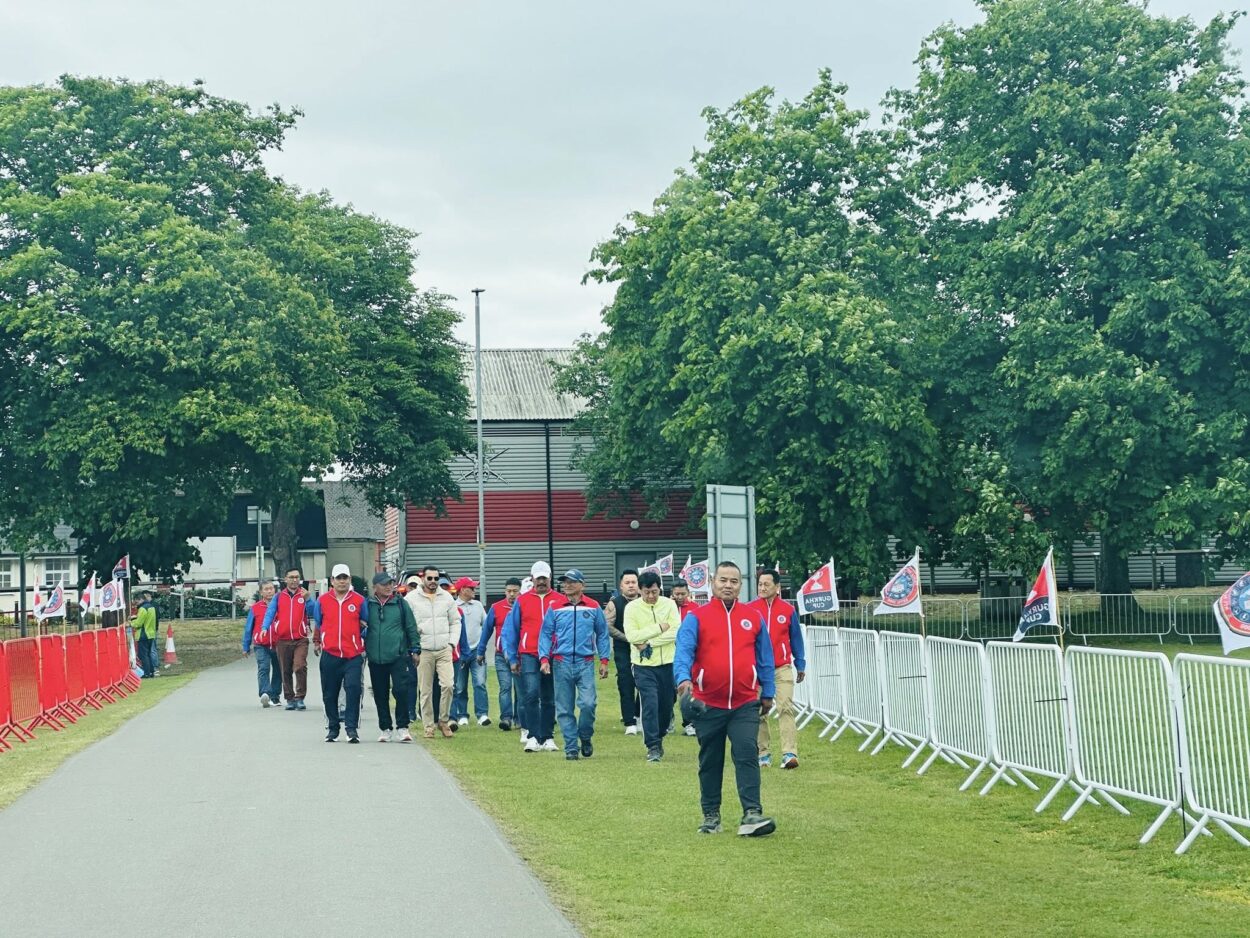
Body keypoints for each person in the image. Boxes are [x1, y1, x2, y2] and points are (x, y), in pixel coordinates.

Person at [674, 561, 777, 837]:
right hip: (707, 703)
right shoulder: (696, 617)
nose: (728, 585)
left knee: (747, 753)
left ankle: (752, 813)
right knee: (710, 760)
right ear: (712, 582)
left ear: (740, 585)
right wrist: (683, 680)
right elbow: (683, 651)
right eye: (723, 580)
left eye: (733, 581)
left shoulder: (754, 617)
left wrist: (768, 692)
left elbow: (765, 658)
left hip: (745, 702)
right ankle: (711, 816)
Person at [538, 569, 609, 760]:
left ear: (582, 585)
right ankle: (571, 747)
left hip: (585, 663)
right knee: (564, 708)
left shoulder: (593, 606)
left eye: (571, 581)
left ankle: (585, 736)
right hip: (561, 662)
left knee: (588, 704)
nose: (567, 585)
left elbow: (602, 634)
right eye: (565, 582)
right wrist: (544, 658)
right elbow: (545, 634)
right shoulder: (555, 607)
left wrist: (604, 660)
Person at [503, 561, 567, 752]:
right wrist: (512, 658)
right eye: (538, 578)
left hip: (553, 654)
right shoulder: (522, 600)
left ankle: (547, 736)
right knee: (530, 694)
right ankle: (532, 736)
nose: (541, 582)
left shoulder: (560, 599)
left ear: (550, 578)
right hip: (529, 653)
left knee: (549, 697)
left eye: (544, 578)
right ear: (532, 579)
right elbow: (512, 630)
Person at [749, 569, 806, 770]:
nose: (762, 588)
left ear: (777, 587)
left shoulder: (788, 610)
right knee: (759, 712)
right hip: (757, 670)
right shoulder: (750, 609)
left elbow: (796, 638)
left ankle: (789, 754)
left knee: (786, 707)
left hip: (782, 667)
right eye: (760, 584)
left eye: (766, 584)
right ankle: (763, 754)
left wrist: (800, 663)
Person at [625, 570, 682, 762]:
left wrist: (649, 643)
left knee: (667, 704)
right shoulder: (632, 608)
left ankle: (660, 735)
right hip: (643, 665)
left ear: (660, 589)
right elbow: (632, 636)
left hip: (668, 663)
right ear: (640, 590)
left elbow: (676, 630)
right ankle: (653, 745)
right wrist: (659, 628)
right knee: (650, 703)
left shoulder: (669, 604)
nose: (651, 596)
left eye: (654, 592)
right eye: (646, 592)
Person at [310, 564, 367, 743]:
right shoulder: (323, 601)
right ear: (332, 581)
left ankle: (351, 729)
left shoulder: (359, 600)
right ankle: (333, 728)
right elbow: (319, 622)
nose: (342, 581)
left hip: (353, 655)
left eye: (345, 578)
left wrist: (360, 638)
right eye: (338, 578)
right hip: (330, 654)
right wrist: (318, 641)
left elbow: (365, 623)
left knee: (353, 690)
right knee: (330, 693)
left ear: (349, 579)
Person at [407, 564, 461, 738]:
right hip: (424, 650)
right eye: (429, 578)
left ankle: (443, 721)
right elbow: (407, 623)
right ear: (423, 578)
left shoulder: (446, 597)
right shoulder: (411, 598)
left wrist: (452, 644)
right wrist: (414, 645)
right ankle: (428, 726)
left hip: (444, 649)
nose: (433, 581)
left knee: (448, 685)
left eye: (436, 578)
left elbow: (455, 621)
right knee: (425, 690)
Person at [366, 572, 422, 742]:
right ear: (375, 587)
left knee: (401, 690)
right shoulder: (368, 604)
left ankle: (403, 727)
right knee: (380, 694)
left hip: (398, 655)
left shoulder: (400, 604)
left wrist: (415, 649)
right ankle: (385, 728)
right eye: (384, 584)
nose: (389, 587)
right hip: (375, 657)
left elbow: (411, 627)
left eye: (390, 583)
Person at [262, 567, 312, 710]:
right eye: (291, 577)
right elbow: (270, 612)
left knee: (300, 666)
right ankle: (290, 698)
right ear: (285, 579)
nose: (294, 580)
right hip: (283, 639)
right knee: (285, 670)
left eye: (297, 577)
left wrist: (308, 600)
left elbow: (314, 612)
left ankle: (300, 697)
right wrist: (265, 627)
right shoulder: (279, 596)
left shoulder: (304, 595)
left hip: (300, 639)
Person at [476, 577, 522, 730]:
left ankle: (519, 719)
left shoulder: (524, 606)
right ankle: (506, 718)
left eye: (515, 591)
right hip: (501, 655)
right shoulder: (496, 607)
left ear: (520, 591)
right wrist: (481, 651)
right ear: (505, 591)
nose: (512, 594)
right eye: (509, 591)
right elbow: (487, 630)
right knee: (505, 686)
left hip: (520, 655)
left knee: (520, 688)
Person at [604, 569, 642, 735]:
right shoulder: (615, 604)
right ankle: (629, 721)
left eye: (634, 582)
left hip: (643, 647)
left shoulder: (645, 601)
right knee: (626, 682)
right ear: (621, 586)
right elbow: (607, 626)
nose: (631, 585)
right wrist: (628, 638)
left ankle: (639, 715)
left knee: (645, 682)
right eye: (627, 582)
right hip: (623, 648)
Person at [451, 577, 490, 727]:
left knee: (480, 683)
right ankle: (462, 715)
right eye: (471, 588)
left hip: (477, 651)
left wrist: (482, 646)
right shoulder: (453, 606)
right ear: (462, 590)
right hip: (460, 652)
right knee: (460, 686)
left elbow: (486, 625)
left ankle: (482, 714)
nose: (474, 590)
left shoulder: (478, 605)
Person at [242, 581, 282, 707]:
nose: (269, 591)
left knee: (279, 670)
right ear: (261, 592)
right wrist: (246, 646)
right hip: (261, 644)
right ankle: (265, 694)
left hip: (278, 644)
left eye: (271, 588)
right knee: (264, 668)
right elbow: (248, 628)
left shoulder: (281, 606)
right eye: (266, 589)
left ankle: (275, 696)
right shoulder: (255, 608)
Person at [671, 580, 702, 735]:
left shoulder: (696, 609)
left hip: (688, 655)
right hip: (669, 653)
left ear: (688, 593)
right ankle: (668, 719)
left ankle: (689, 722)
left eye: (683, 594)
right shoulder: (667, 607)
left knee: (687, 688)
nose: (680, 597)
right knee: (669, 690)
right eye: (677, 594)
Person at [132, 591, 159, 678]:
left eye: (136, 602)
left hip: (143, 634)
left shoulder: (142, 609)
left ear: (140, 599)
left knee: (142, 655)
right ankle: (151, 672)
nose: (136, 604)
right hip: (151, 634)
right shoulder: (151, 607)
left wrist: (130, 622)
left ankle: (146, 673)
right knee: (148, 654)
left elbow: (138, 623)